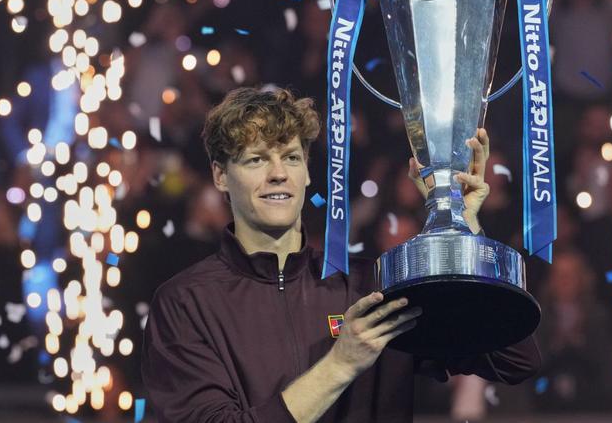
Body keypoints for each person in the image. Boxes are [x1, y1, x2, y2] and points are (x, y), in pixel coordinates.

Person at [141, 86, 541, 422]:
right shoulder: (186, 303)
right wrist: (341, 364)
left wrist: (461, 232)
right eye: (256, 159)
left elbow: (514, 359)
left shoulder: (372, 287)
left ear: (308, 173)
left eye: (291, 157)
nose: (278, 173)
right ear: (220, 176)